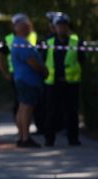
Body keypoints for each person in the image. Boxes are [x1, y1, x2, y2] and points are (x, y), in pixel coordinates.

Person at [42, 12, 82, 146]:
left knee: (72, 112)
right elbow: (42, 60)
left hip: (71, 82)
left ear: (68, 27)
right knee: (51, 112)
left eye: (64, 25)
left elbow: (82, 60)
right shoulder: (48, 42)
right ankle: (49, 139)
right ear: (54, 27)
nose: (61, 28)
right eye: (59, 26)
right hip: (52, 83)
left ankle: (73, 139)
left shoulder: (76, 41)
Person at [9, 14, 48, 148]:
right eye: (27, 26)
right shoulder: (22, 43)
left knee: (22, 107)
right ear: (21, 28)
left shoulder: (17, 42)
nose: (30, 28)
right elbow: (32, 62)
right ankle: (25, 138)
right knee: (26, 108)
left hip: (22, 79)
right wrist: (43, 70)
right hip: (28, 80)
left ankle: (23, 136)